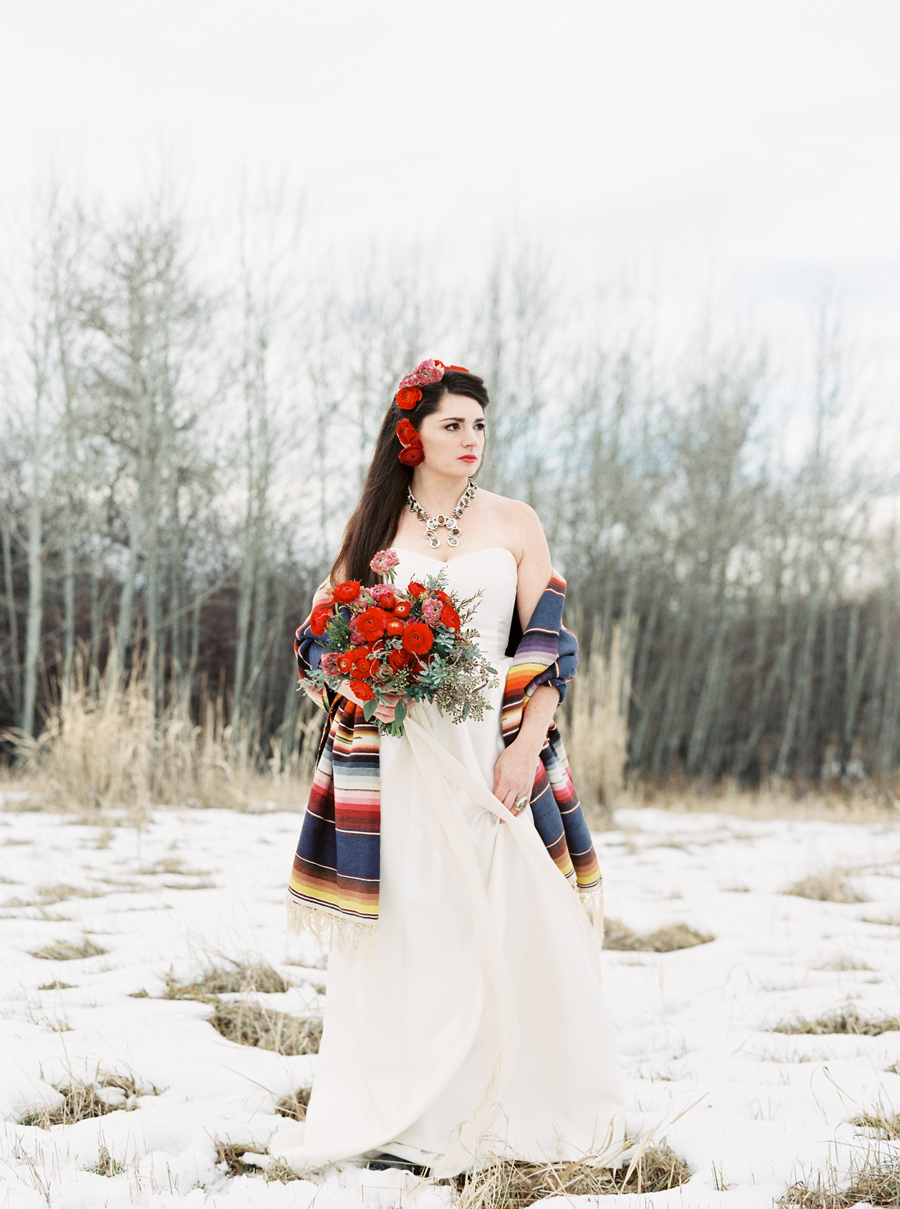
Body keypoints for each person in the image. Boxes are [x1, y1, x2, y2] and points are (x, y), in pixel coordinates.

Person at [270, 360, 624, 1179]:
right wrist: (368, 675)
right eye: (452, 425)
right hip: (397, 753)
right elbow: (321, 638)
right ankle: (408, 1111)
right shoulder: (374, 527)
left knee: (506, 914)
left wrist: (526, 746)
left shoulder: (514, 522)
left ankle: (514, 1102)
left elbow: (552, 648)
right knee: (413, 923)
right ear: (411, 435)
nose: (471, 440)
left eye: (479, 426)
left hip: (488, 750)